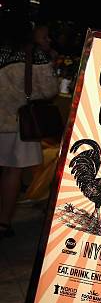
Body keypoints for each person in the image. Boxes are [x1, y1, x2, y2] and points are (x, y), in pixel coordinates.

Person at [0, 18, 58, 238]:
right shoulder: (33, 55)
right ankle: (3, 222)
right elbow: (49, 90)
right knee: (12, 171)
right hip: (17, 123)